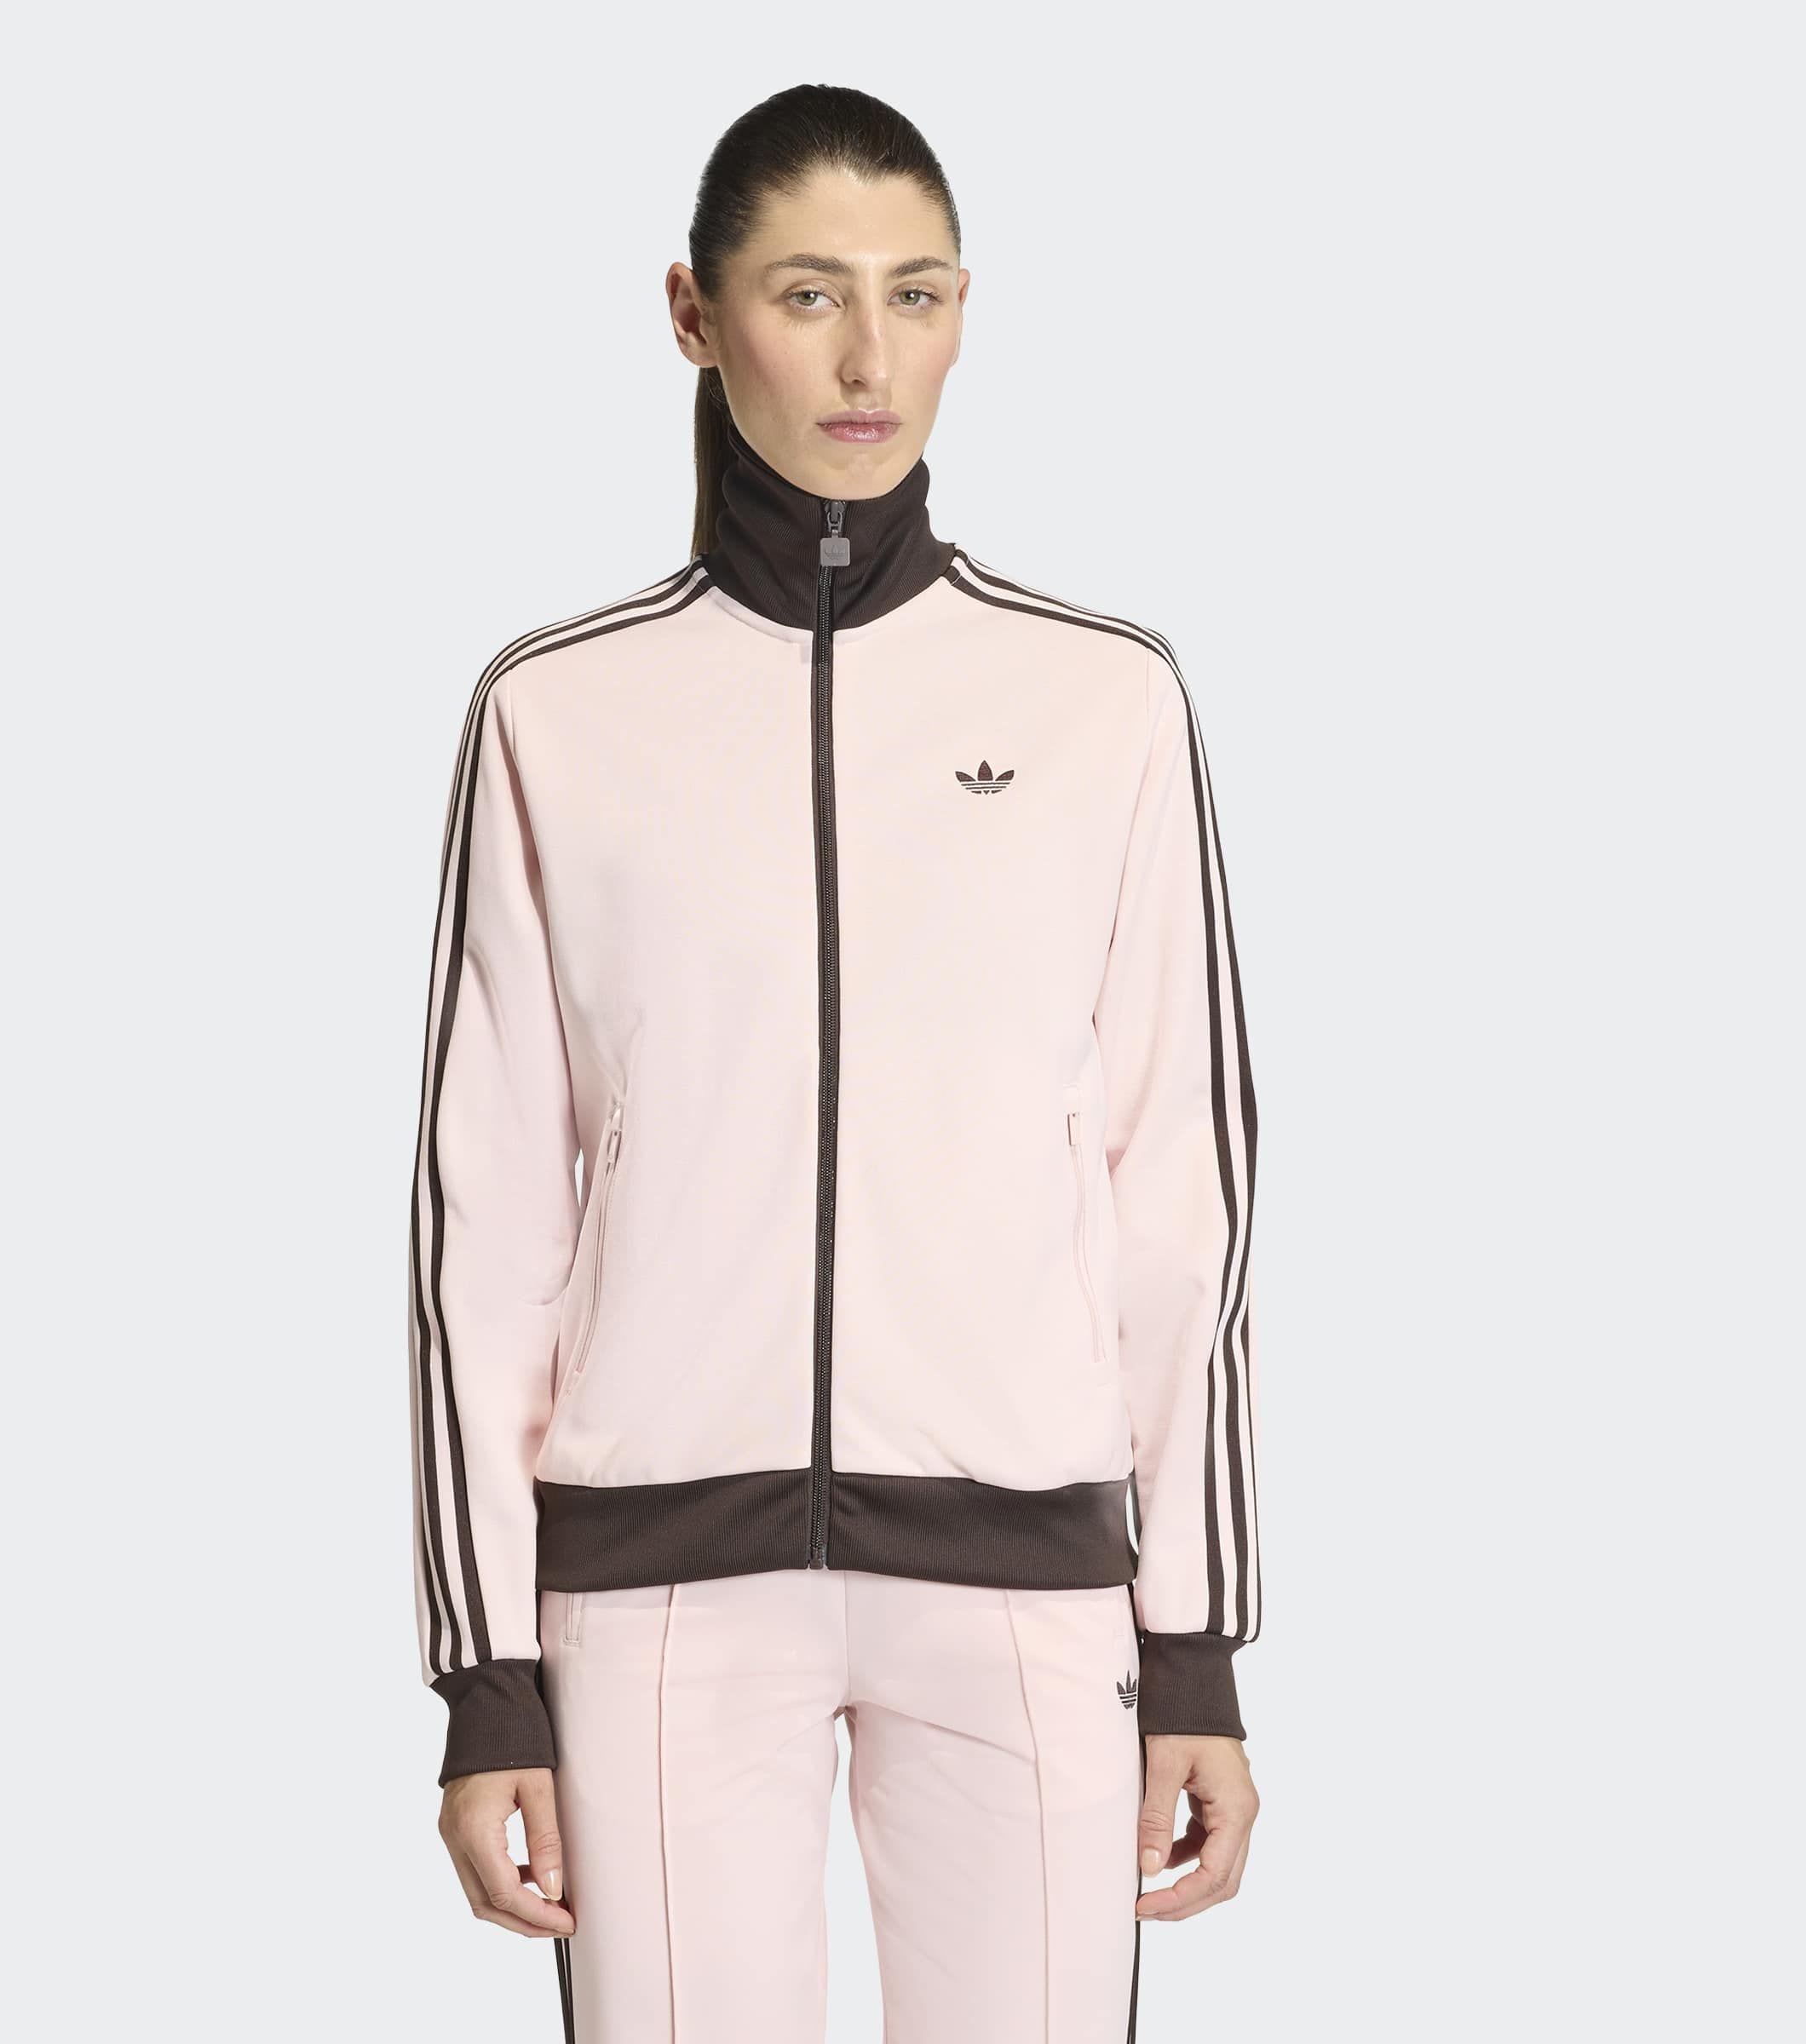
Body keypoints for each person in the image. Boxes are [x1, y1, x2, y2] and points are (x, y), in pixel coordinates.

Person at [405, 83, 1262, 2044]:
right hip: (657, 1591)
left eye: (918, 293)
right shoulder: (555, 712)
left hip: (1028, 1579)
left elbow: (1178, 1201)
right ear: (696, 316)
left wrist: (1196, 1645)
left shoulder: (1106, 700)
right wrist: (488, 1678)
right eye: (809, 294)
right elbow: (485, 1225)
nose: (871, 357)